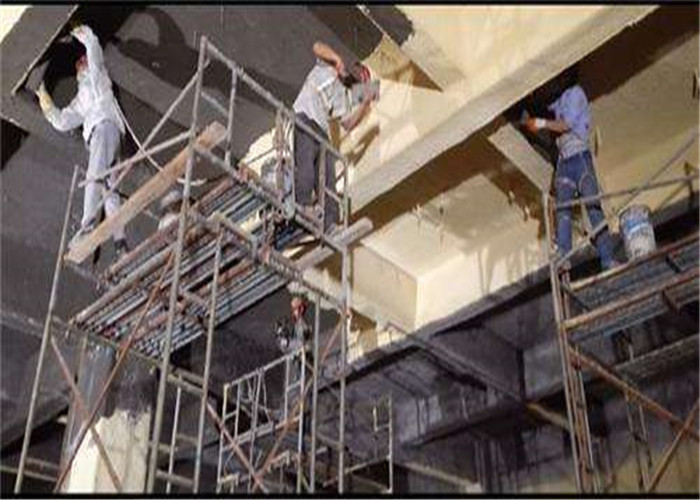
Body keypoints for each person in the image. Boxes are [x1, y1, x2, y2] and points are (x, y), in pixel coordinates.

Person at [36, 24, 128, 257]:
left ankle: (87, 226)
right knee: (109, 190)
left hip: (104, 128)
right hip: (107, 135)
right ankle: (121, 243)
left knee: (94, 175)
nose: (81, 63)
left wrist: (79, 31)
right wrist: (44, 100)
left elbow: (93, 48)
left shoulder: (97, 77)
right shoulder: (81, 100)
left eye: (83, 60)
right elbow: (62, 121)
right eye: (79, 62)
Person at [524, 72, 617, 271]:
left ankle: (608, 259)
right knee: (562, 209)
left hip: (580, 158)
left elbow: (565, 125)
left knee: (593, 207)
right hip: (564, 161)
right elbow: (547, 107)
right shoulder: (559, 99)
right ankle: (564, 255)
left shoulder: (576, 93)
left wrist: (540, 123)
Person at [292, 41, 377, 232]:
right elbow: (316, 46)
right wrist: (336, 59)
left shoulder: (343, 96)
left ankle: (330, 224)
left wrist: (364, 105)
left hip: (321, 131)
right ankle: (302, 205)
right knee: (306, 167)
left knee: (328, 178)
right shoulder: (327, 66)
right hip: (305, 116)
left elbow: (348, 124)